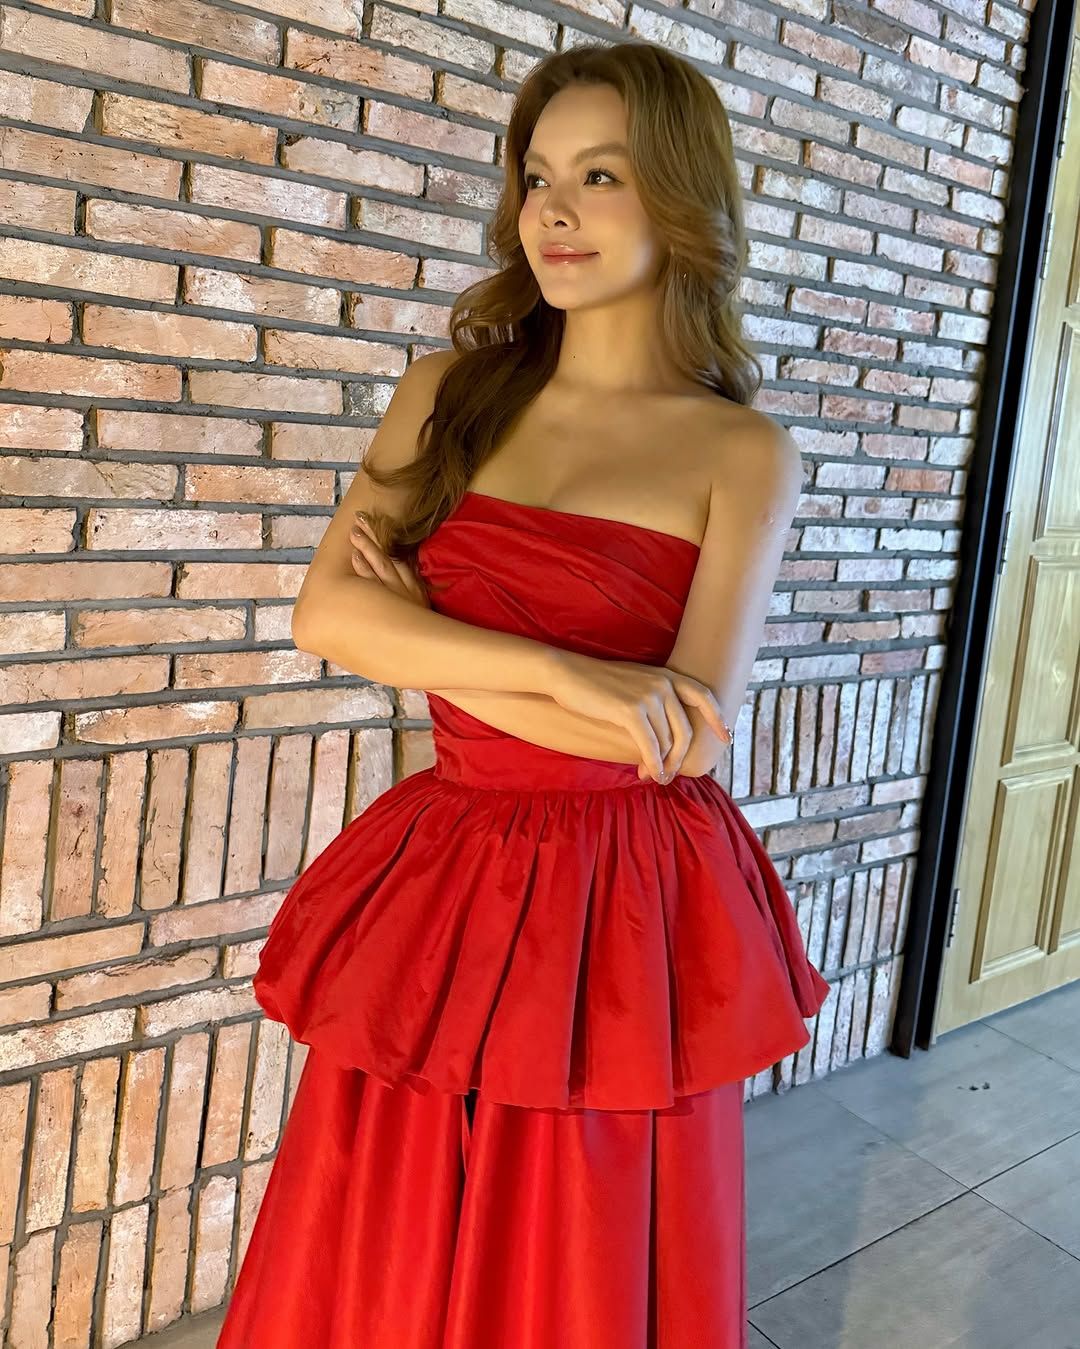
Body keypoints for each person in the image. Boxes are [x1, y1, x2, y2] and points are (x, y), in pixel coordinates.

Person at [216, 37, 830, 1349]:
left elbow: (683, 738)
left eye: (598, 175)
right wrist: (565, 671)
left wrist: (427, 633)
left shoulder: (742, 451)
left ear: (681, 194)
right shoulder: (448, 393)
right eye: (537, 176)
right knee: (384, 1234)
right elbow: (328, 616)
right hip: (449, 870)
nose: (551, 211)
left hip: (623, 906)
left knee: (578, 1262)